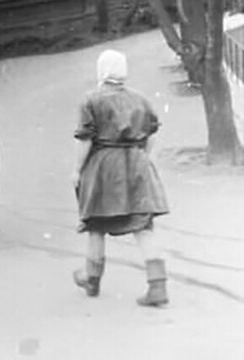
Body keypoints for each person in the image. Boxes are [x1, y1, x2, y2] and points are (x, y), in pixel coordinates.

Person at [71, 49, 170, 307]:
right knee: (143, 225)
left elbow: (86, 140)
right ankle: (157, 285)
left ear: (102, 71)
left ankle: (91, 279)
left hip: (104, 166)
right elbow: (152, 135)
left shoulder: (91, 100)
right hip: (137, 163)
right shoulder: (141, 99)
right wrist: (141, 157)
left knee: (96, 223)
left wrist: (77, 170)